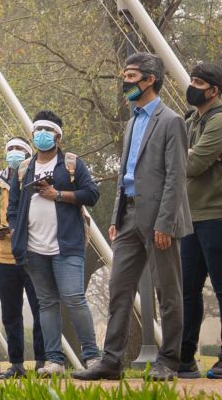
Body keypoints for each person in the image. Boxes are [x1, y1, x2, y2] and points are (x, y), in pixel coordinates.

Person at [78, 52, 193, 381]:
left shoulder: (171, 121)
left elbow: (176, 176)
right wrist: (116, 216)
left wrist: (166, 222)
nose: (125, 82)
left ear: (149, 80)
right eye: (124, 75)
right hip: (128, 216)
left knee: (167, 293)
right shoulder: (131, 122)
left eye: (131, 76)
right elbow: (126, 174)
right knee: (119, 288)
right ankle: (111, 361)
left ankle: (169, 361)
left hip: (160, 219)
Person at [7, 110, 98, 371]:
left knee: (74, 298)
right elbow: (13, 207)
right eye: (37, 131)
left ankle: (91, 356)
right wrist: (16, 231)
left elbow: (91, 194)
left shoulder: (71, 164)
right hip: (33, 249)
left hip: (67, 246)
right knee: (46, 303)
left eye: (47, 131)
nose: (41, 135)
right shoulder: (24, 168)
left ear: (58, 135)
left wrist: (57, 194)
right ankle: (54, 360)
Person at [173, 60, 222, 379]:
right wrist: (188, 153)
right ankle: (185, 357)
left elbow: (190, 165)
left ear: (214, 90)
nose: (192, 87)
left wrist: (187, 154)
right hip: (192, 215)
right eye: (191, 80)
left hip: (221, 214)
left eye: (199, 83)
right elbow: (178, 156)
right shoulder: (192, 119)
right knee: (188, 289)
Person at [0, 136, 44, 379]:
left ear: (29, 154)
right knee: (10, 313)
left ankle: (42, 361)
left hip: (34, 255)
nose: (14, 153)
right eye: (11, 149)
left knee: (41, 309)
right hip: (4, 258)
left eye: (20, 149)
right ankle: (16, 363)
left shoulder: (37, 180)